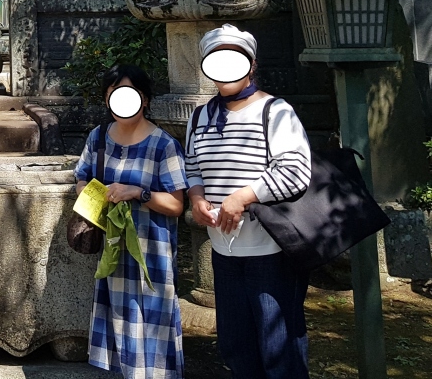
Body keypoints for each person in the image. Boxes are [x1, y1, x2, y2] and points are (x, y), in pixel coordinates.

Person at [184, 24, 313, 379]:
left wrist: (242, 197)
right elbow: (192, 165)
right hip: (223, 251)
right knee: (236, 346)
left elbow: (296, 171)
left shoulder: (275, 111)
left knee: (279, 347)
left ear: (251, 64)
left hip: (271, 250)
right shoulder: (200, 116)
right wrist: (196, 197)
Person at [75, 63, 188, 379]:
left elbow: (176, 205)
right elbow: (82, 178)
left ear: (145, 99)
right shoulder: (98, 138)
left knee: (153, 325)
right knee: (118, 325)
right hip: (112, 254)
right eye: (114, 93)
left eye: (129, 93)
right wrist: (96, 196)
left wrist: (138, 193)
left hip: (151, 256)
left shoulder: (164, 145)